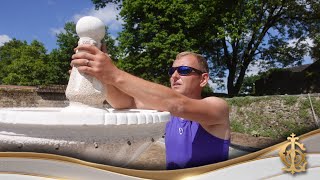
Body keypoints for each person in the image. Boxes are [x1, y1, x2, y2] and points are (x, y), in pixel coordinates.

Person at [71, 44, 230, 170]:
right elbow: (126, 103)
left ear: (203, 79)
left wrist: (113, 73)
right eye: (172, 71)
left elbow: (179, 104)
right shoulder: (169, 111)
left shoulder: (218, 107)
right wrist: (102, 78)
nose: (174, 76)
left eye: (184, 70)